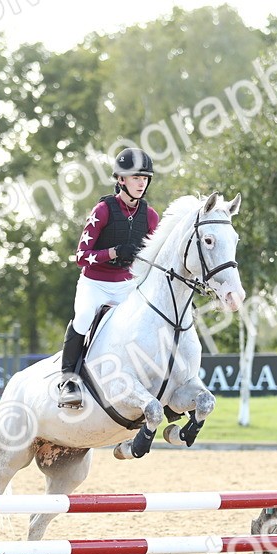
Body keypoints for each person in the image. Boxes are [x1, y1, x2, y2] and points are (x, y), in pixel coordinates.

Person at [58, 147, 161, 409]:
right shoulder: (103, 210)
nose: (141, 183)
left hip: (127, 286)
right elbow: (81, 256)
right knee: (82, 317)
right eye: (136, 177)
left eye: (145, 178)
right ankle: (68, 380)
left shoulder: (150, 216)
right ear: (121, 180)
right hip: (95, 284)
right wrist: (114, 252)